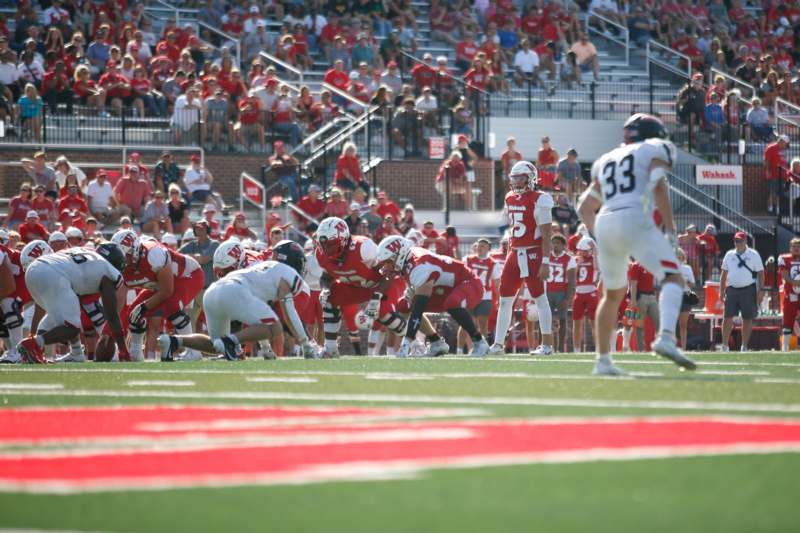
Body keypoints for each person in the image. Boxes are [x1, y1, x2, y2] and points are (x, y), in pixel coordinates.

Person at [577, 113, 696, 375]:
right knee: (674, 278)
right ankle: (665, 337)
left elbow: (585, 207)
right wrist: (670, 230)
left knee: (611, 296)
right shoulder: (652, 150)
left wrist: (601, 237)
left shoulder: (606, 159)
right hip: (634, 216)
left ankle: (603, 362)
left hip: (605, 221)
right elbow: (659, 182)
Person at [159, 241, 318, 361]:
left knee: (217, 345)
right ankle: (232, 342)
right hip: (234, 290)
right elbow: (287, 310)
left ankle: (173, 341)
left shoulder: (258, 264)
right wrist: (305, 344)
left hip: (212, 292)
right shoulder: (284, 272)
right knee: (274, 326)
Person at [375, 235, 490, 357]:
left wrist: (406, 343)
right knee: (404, 305)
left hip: (469, 283)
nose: (385, 267)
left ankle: (479, 342)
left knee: (449, 303)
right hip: (446, 288)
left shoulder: (418, 267)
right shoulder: (409, 261)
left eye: (388, 262)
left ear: (400, 255)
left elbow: (418, 309)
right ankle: (436, 342)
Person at [16, 243, 130, 364]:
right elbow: (112, 315)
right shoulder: (109, 271)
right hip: (53, 274)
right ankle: (32, 344)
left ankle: (75, 354)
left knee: (67, 315)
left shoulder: (85, 253)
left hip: (33, 270)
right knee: (72, 328)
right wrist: (123, 349)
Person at [310, 217, 407, 357]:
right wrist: (325, 289)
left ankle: (414, 342)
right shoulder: (321, 254)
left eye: (331, 244)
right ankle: (330, 349)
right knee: (329, 297)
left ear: (343, 239)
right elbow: (326, 277)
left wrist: (376, 298)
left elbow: (389, 270)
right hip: (356, 286)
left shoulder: (363, 248)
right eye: (323, 244)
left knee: (385, 315)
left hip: (381, 284)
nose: (326, 249)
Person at [489, 161, 555, 356]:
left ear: (531, 178)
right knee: (504, 300)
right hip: (515, 252)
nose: (517, 181)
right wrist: (510, 251)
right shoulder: (510, 197)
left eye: (521, 177)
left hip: (534, 253)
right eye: (514, 177)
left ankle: (547, 345)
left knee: (540, 298)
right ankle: (498, 345)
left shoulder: (540, 199)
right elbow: (512, 230)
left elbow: (546, 235)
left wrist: (545, 262)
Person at [111, 229, 204, 361]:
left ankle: (193, 351)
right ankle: (135, 352)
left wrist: (144, 307)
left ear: (136, 249)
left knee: (171, 307)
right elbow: (118, 302)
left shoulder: (153, 254)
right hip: (160, 284)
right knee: (133, 312)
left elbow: (167, 291)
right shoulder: (123, 265)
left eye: (127, 255)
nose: (124, 260)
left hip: (188, 275)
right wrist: (110, 331)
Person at [718, 231, 765, 352]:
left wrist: (761, 290)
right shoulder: (729, 254)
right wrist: (721, 290)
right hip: (732, 289)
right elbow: (723, 274)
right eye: (736, 241)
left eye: (740, 240)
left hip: (749, 289)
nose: (738, 243)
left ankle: (744, 346)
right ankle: (724, 346)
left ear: (745, 241)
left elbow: (761, 273)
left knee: (747, 318)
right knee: (727, 317)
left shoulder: (754, 254)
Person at [458, 238, 499, 353]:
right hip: (469, 295)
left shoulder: (493, 264)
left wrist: (499, 299)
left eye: (483, 246)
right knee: (465, 323)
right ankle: (459, 350)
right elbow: (460, 275)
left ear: (488, 249)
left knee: (483, 324)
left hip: (485, 296)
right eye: (479, 245)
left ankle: (482, 348)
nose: (480, 248)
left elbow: (496, 283)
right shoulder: (467, 259)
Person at [178, 219, 219, 329]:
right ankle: (190, 345)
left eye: (202, 228)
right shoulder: (191, 244)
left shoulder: (214, 244)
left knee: (214, 319)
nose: (199, 231)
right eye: (197, 228)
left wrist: (189, 256)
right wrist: (194, 256)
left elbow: (203, 259)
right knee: (189, 321)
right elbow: (177, 255)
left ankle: (219, 343)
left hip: (208, 289)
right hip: (193, 289)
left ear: (207, 230)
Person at [547, 234, 576, 353]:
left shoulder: (570, 259)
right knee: (544, 320)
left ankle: (560, 348)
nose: (555, 245)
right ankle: (545, 346)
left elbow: (571, 281)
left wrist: (568, 299)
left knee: (562, 320)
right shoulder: (546, 257)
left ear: (564, 245)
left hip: (561, 293)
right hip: (547, 292)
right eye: (553, 243)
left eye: (558, 243)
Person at [571, 238, 599, 353]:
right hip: (579, 293)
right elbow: (572, 277)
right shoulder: (576, 259)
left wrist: (596, 252)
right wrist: (578, 264)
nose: (585, 252)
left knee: (594, 322)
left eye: (587, 250)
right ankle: (577, 350)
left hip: (591, 292)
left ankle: (599, 349)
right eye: (583, 250)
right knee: (577, 323)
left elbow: (597, 269)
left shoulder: (594, 259)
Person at [627, 260, 660, 353]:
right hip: (641, 297)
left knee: (658, 321)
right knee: (639, 325)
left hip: (652, 296)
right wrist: (633, 300)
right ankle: (641, 350)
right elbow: (633, 284)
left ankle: (659, 347)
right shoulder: (636, 265)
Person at [778, 238, 800, 352]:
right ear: (790, 247)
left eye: (798, 246)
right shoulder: (784, 258)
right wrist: (796, 282)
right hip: (791, 294)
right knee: (788, 320)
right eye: (794, 246)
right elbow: (785, 276)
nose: (796, 248)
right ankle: (785, 346)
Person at [763, 134, 789, 215]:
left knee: (778, 193)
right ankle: (770, 209)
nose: (786, 145)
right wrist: (767, 171)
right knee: (772, 192)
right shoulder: (771, 148)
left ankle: (777, 210)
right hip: (773, 174)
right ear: (781, 141)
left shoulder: (783, 150)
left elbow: (784, 162)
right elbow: (767, 161)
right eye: (785, 143)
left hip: (782, 175)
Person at [676, 249, 696, 350]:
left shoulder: (688, 268)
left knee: (683, 324)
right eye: (676, 257)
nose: (678, 259)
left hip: (685, 296)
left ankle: (683, 348)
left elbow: (692, 284)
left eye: (680, 257)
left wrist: (685, 281)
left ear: (683, 258)